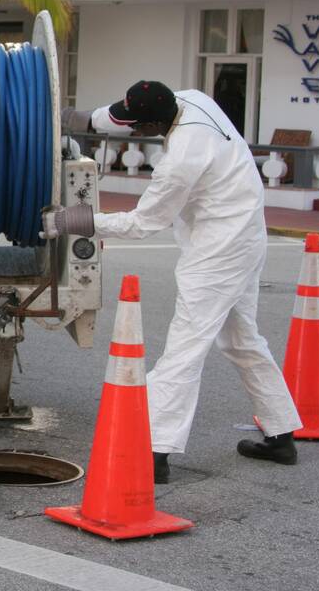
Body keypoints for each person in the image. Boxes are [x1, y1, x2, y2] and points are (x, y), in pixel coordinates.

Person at [48, 81, 302, 484]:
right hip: (249, 235)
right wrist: (76, 119)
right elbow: (115, 115)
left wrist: (75, 221)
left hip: (219, 250)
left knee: (185, 349)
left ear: (152, 123)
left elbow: (145, 223)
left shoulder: (180, 158)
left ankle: (154, 452)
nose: (129, 129)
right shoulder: (191, 98)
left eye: (134, 125)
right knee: (242, 340)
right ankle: (281, 432)